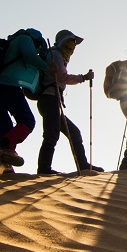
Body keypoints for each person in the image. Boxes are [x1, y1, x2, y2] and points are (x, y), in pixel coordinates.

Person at [0, 28, 49, 170]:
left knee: (5, 128)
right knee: (27, 120)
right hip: (5, 85)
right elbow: (30, 57)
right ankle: (4, 146)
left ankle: (4, 167)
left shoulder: (10, 43)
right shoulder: (24, 39)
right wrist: (47, 67)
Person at [36, 29, 101, 175]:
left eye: (72, 48)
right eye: (67, 46)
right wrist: (83, 78)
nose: (70, 51)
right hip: (49, 99)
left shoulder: (59, 56)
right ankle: (44, 169)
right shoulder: (56, 55)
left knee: (73, 132)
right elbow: (62, 77)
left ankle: (83, 165)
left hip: (52, 101)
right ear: (60, 43)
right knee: (52, 134)